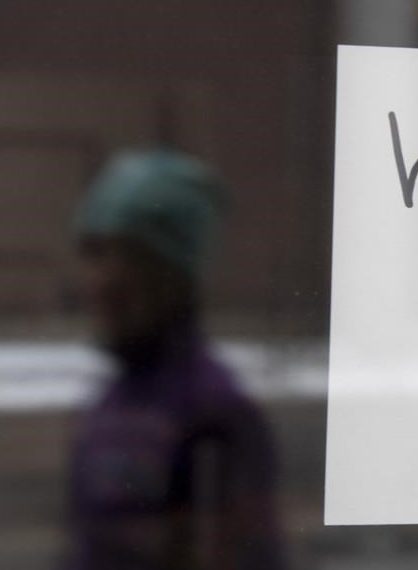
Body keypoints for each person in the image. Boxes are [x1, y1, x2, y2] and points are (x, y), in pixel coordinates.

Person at [67, 150, 284, 570]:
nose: (104, 281)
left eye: (131, 258)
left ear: (175, 276)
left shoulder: (212, 413)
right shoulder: (110, 403)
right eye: (96, 253)